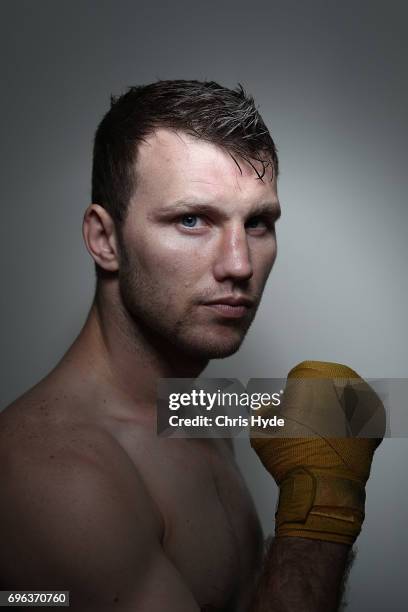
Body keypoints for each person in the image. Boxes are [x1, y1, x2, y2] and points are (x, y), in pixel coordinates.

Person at [0, 80, 381, 611]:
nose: (239, 264)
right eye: (191, 219)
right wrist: (322, 508)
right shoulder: (57, 476)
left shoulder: (195, 408)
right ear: (104, 240)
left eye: (258, 222)